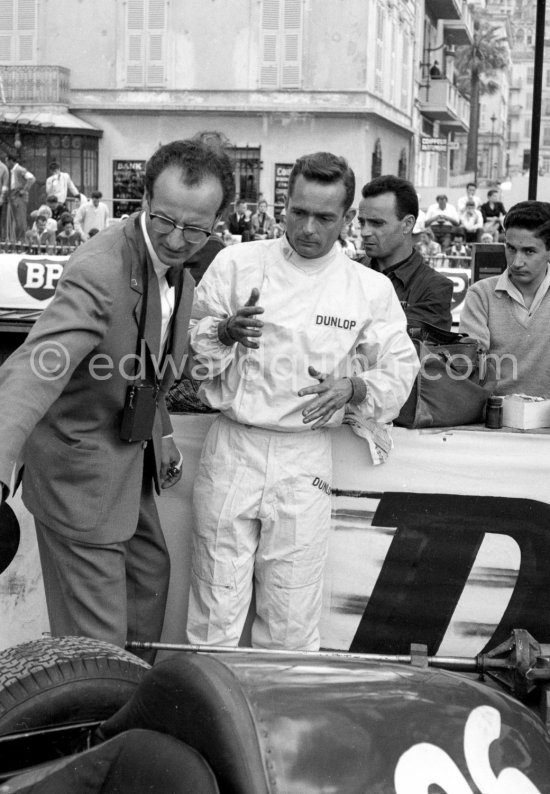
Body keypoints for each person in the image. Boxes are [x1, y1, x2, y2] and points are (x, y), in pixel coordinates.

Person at [0, 137, 235, 661]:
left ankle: (124, 718)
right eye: (165, 220)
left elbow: (142, 362)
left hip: (130, 465)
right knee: (98, 647)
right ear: (143, 203)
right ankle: (91, 732)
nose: (177, 240)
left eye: (196, 227)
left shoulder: (183, 271)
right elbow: (35, 367)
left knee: (151, 584)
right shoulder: (100, 269)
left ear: (219, 219)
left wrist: (163, 431)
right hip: (78, 477)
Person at [185, 151, 419, 651]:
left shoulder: (368, 289)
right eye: (298, 212)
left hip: (304, 455)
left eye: (325, 217)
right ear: (282, 205)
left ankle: (281, 725)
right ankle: (200, 719)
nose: (308, 228)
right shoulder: (236, 263)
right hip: (234, 446)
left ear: (348, 219)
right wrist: (223, 333)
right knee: (213, 607)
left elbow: (400, 367)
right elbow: (193, 349)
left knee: (291, 614)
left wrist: (354, 387)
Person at [459, 200, 550, 396]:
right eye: (510, 248)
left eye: (529, 251)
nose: (517, 262)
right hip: (492, 418)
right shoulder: (480, 294)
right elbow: (470, 367)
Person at [359, 175, 454, 330]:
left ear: (407, 224)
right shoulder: (346, 272)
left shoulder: (435, 288)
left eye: (376, 223)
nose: (365, 232)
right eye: (361, 222)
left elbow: (408, 347)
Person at [5, 154, 35, 242]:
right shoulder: (13, 171)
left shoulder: (19, 169)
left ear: (11, 161)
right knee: (16, 220)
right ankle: (16, 240)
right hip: (14, 196)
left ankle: (22, 241)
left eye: (6, 161)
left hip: (19, 196)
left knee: (20, 220)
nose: (6, 163)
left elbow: (32, 178)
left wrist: (24, 190)